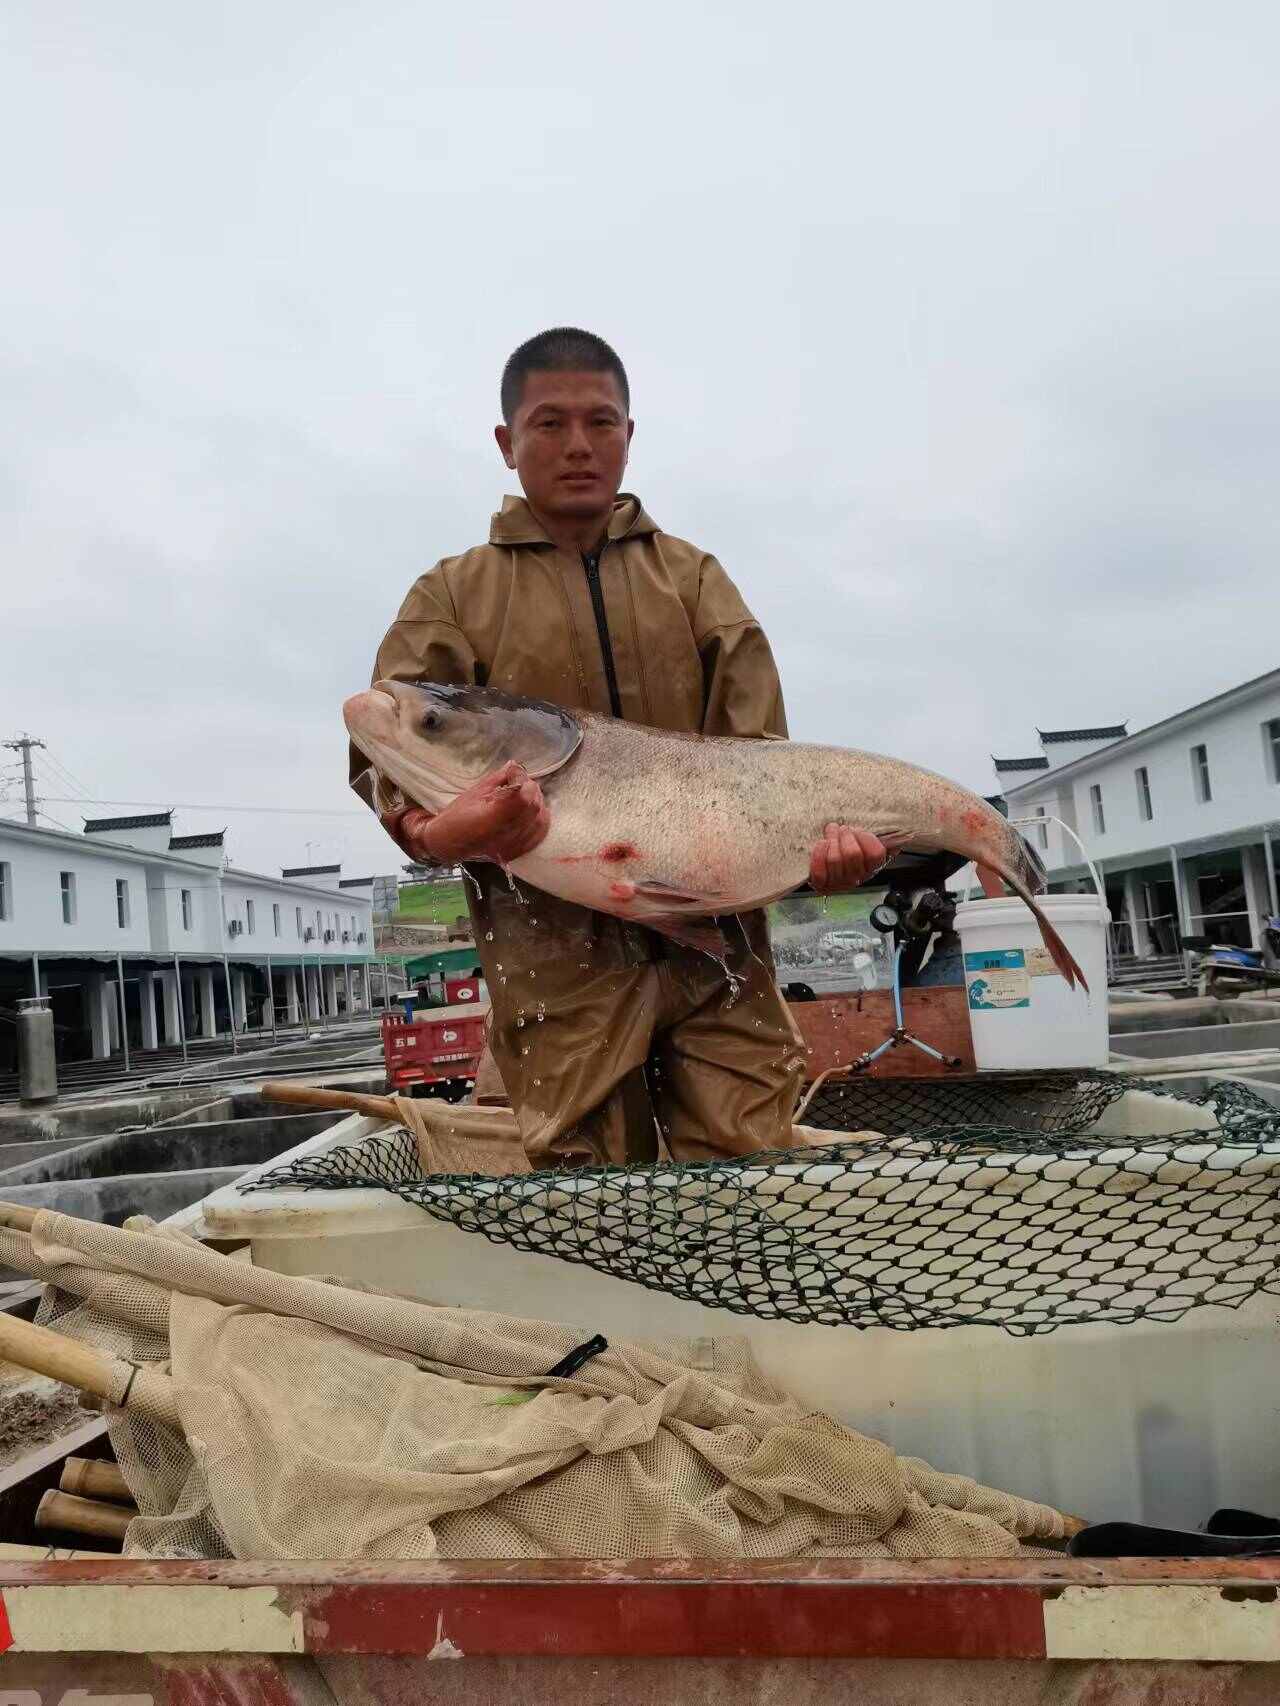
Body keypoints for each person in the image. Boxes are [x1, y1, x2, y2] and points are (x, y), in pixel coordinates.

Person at [350, 328, 886, 1166]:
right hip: (554, 967)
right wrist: (434, 833)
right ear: (506, 443)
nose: (578, 446)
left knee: (746, 1178)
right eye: (549, 423)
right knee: (588, 1189)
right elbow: (387, 754)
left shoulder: (696, 581)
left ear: (630, 435)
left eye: (601, 422)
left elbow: (763, 768)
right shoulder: (451, 594)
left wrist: (816, 853)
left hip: (723, 960)